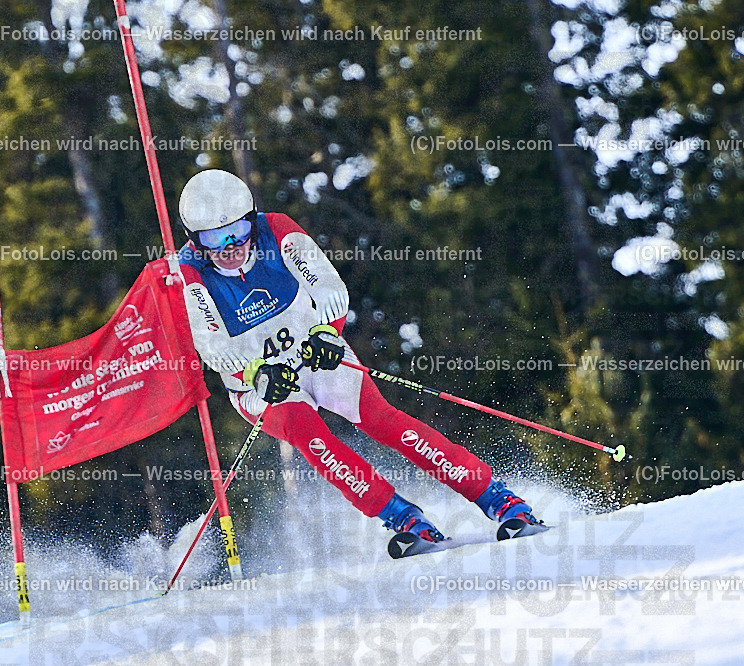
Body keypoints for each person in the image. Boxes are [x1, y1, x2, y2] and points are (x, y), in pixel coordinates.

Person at [176, 169, 542, 550]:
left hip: (316, 355)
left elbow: (326, 283)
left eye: (236, 230)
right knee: (306, 431)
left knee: (382, 421)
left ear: (251, 218)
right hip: (260, 385)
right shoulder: (190, 269)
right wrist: (254, 371)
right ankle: (403, 518)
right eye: (213, 238)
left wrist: (325, 331)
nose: (229, 245)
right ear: (195, 240)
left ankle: (498, 499)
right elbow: (209, 340)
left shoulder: (276, 230)